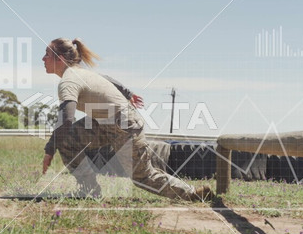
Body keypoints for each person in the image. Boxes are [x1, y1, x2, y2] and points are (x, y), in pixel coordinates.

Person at [41, 37, 214, 201]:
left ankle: (193, 194)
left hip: (124, 125)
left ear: (60, 58)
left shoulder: (69, 81)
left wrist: (49, 150)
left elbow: (66, 118)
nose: (43, 58)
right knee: (67, 141)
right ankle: (90, 190)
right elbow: (106, 79)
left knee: (142, 177)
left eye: (47, 54)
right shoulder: (80, 73)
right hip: (104, 122)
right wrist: (128, 93)